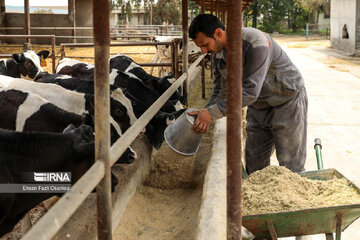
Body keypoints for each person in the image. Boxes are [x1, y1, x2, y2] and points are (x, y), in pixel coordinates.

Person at [187, 14, 308, 174]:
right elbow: (221, 91)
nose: (203, 51)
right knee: (254, 161)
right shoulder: (218, 55)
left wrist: (211, 113)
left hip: (287, 101)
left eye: (204, 44)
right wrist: (205, 113)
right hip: (259, 106)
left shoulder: (254, 42)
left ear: (218, 33)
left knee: (290, 163)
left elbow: (250, 91)